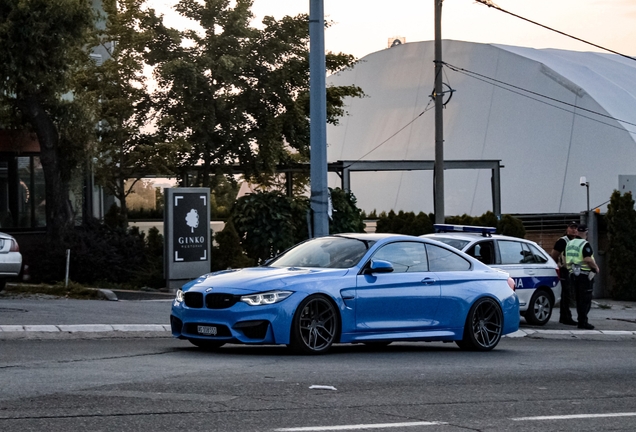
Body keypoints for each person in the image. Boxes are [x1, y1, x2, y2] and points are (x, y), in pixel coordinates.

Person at [565, 224, 600, 329]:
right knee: (585, 300)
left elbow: (564, 257)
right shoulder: (585, 244)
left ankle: (581, 321)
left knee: (578, 299)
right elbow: (587, 259)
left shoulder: (569, 243)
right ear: (586, 232)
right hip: (584, 275)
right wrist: (596, 268)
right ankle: (583, 322)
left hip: (572, 274)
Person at [550, 221, 579, 325]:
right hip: (564, 270)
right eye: (572, 227)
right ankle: (565, 317)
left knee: (570, 294)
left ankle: (567, 316)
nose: (574, 230)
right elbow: (553, 256)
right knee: (565, 294)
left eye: (576, 228)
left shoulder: (577, 241)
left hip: (574, 271)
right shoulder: (562, 241)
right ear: (567, 228)